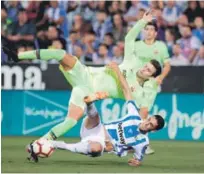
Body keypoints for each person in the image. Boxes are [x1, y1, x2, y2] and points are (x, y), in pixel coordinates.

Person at [5, 10, 161, 149]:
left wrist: (139, 143)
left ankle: (39, 143)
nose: (144, 69)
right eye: (146, 66)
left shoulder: (139, 94)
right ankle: (17, 56)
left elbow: (140, 119)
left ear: (151, 77)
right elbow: (129, 38)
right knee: (60, 54)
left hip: (88, 92)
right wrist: (142, 22)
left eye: (149, 70)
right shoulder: (131, 63)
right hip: (85, 73)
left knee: (71, 121)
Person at [28, 62, 165, 166]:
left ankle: (53, 144)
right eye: (149, 120)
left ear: (153, 130)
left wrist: (135, 161)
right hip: (95, 127)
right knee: (96, 117)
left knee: (96, 149)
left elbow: (137, 159)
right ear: (148, 117)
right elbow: (126, 90)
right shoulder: (134, 115)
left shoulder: (142, 142)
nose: (147, 123)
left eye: (150, 125)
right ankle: (89, 102)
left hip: (99, 143)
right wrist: (117, 70)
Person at [124, 10, 170, 154]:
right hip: (136, 81)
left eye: (152, 30)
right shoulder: (137, 45)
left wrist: (160, 78)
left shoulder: (161, 47)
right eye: (147, 29)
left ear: (156, 33)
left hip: (151, 84)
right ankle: (134, 140)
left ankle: (139, 141)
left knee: (144, 111)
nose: (149, 32)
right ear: (143, 31)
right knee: (134, 110)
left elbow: (167, 64)